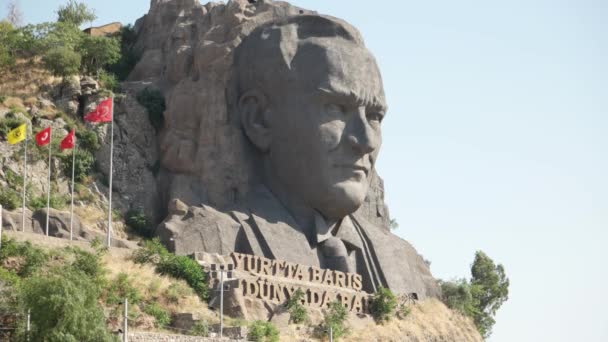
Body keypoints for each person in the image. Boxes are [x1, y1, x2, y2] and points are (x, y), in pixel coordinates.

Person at [158, 15, 438, 297]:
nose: (365, 141)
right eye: (336, 108)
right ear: (259, 120)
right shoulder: (207, 237)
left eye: (375, 116)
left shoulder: (406, 265)